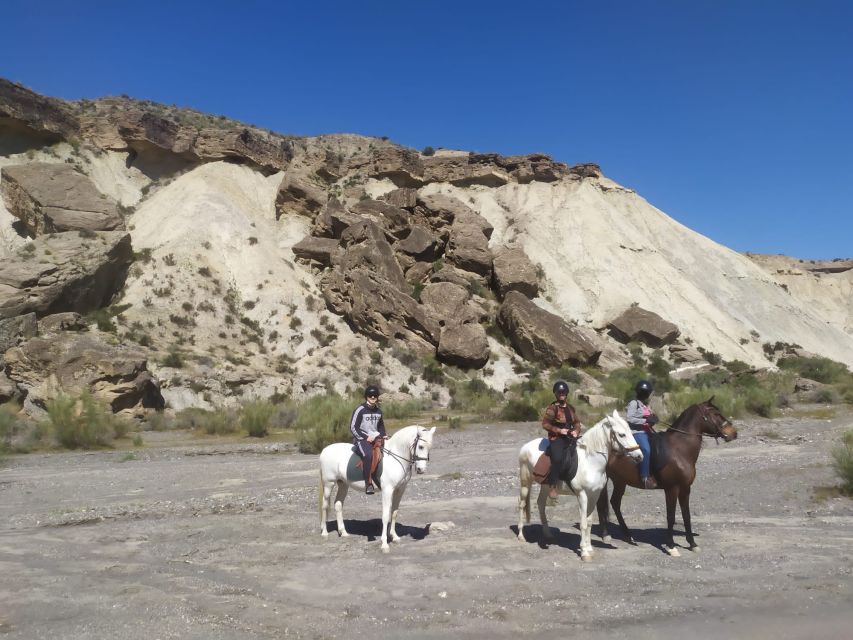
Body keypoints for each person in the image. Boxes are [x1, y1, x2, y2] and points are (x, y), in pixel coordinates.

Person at [541, 380, 582, 499]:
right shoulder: (552, 408)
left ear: (567, 393)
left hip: (570, 436)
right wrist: (559, 431)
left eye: (563, 392)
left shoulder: (571, 408)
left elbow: (577, 423)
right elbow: (545, 424)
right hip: (557, 438)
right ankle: (553, 485)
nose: (562, 394)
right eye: (559, 392)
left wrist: (576, 431)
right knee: (558, 458)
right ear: (556, 394)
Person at [350, 384, 386, 494]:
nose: (373, 397)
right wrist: (365, 438)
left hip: (376, 438)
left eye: (375, 396)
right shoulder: (360, 410)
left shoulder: (378, 411)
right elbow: (353, 427)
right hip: (361, 439)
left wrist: (383, 435)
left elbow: (380, 426)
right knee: (368, 455)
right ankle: (368, 484)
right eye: (370, 396)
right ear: (366, 397)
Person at [626, 379, 659, 489]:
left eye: (646, 393)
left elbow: (649, 419)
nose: (645, 395)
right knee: (646, 449)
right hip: (637, 432)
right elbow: (630, 419)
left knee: (660, 446)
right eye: (643, 392)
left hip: (647, 432)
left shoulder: (645, 406)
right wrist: (645, 421)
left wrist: (653, 419)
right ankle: (644, 477)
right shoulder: (633, 403)